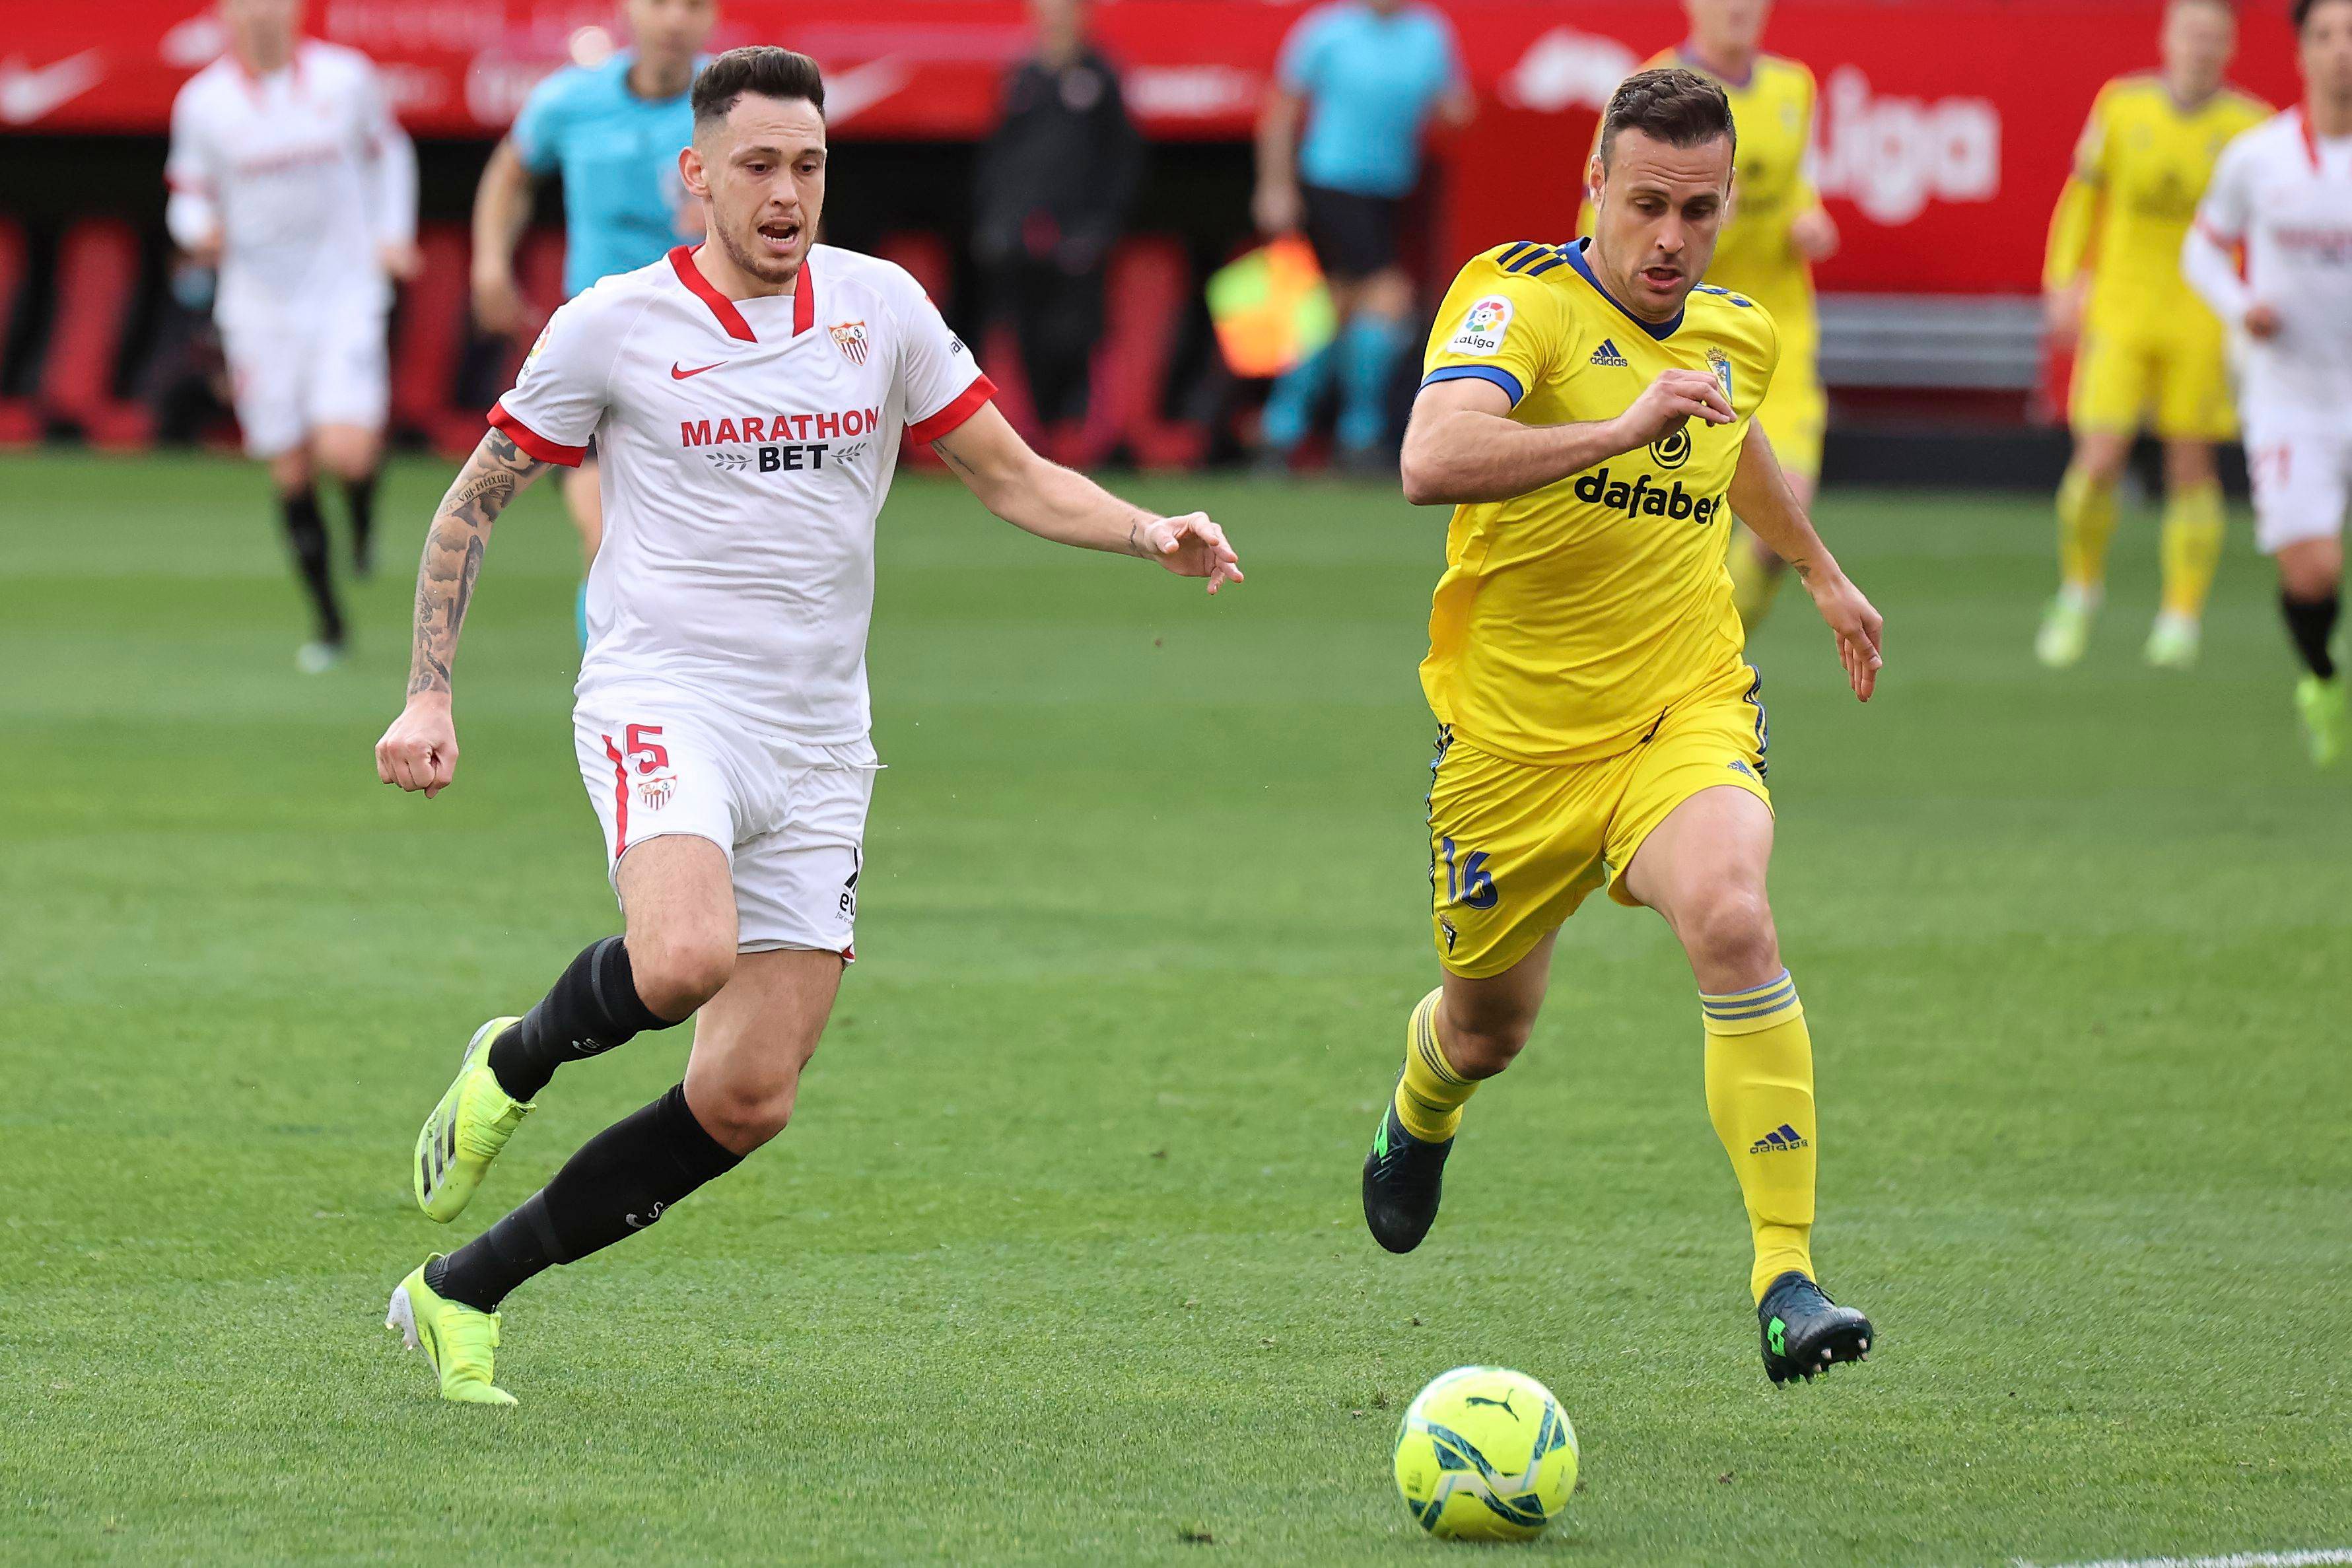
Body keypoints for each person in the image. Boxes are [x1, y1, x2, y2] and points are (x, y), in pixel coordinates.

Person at [373, 48, 1243, 1404]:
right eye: (759, 166)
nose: (787, 193)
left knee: (746, 1097)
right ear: (697, 175)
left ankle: (460, 1290)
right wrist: (429, 690)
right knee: (681, 957)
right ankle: (518, 1056)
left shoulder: (880, 308)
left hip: (822, 738)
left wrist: (1149, 531)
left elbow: (1007, 473)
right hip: (662, 696)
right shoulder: (612, 324)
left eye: (810, 165)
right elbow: (475, 499)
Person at [1369, 68, 1885, 1385]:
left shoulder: (1733, 332)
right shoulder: (1518, 299)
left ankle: (1785, 1277)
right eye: (1645, 202)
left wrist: (1819, 572)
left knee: (1733, 916)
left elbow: (1732, 442)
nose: (1669, 237)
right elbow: (1431, 457)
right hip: (1510, 749)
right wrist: (1617, 425)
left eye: (1697, 210)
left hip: (1678, 710)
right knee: (1487, 1029)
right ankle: (1421, 1104)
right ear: (1591, 185)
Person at [164, 0, 418, 671]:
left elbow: (390, 155)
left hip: (344, 292)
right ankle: (329, 623)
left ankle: (362, 519)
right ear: (225, 15)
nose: (260, 15)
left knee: (347, 450)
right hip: (258, 307)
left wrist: (393, 234)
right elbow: (187, 191)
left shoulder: (345, 78)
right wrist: (195, 229)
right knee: (290, 464)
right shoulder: (204, 102)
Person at [470, 0, 718, 642]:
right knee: (607, 538)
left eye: (693, 5)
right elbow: (511, 171)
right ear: (629, 10)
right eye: (659, 3)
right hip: (600, 354)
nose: (674, 21)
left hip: (709, 353)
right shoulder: (571, 100)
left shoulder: (735, 104)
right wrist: (491, 262)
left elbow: (790, 207)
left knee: (702, 553)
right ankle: (607, 689)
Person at [2040, 0, 2269, 672]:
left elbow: (2273, 227)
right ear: (2167, 37)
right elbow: (2081, 197)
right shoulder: (2122, 107)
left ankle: (2180, 617)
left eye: (2214, 36)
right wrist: (2062, 280)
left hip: (2202, 316)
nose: (2200, 47)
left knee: (2190, 463)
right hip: (2121, 308)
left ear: (2230, 46)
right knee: (2098, 459)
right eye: (2190, 32)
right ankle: (2078, 592)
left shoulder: (2250, 128)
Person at [1605, 0, 1838, 633]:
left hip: (1772, 334)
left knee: (1783, 523)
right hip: (1681, 334)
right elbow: (1601, 221)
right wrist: (1689, 222)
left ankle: (1707, 650)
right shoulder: (1645, 95)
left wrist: (1808, 217)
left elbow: (1795, 183)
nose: (1739, 7)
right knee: (1663, 522)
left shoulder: (1794, 87)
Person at [2184, 0, 2352, 765]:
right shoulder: (2258, 157)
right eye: (2326, 36)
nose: (2342, 51)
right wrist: (2239, 305)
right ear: (2300, 53)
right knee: (2313, 572)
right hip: (2288, 398)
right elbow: (2201, 251)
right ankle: (2321, 677)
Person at [1253, 0, 1472, 471]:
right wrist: (1275, 186)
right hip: (1331, 183)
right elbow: (1281, 112)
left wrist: (1452, 108)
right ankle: (1357, 433)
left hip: (1391, 192)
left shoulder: (1429, 35)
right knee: (1385, 297)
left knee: (1334, 305)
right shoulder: (1327, 31)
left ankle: (1282, 431)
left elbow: (1454, 106)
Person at [973, 0, 1142, 463]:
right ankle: (1036, 431)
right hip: (1023, 235)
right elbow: (1000, 156)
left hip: (1079, 235)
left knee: (1080, 333)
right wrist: (997, 221)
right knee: (1024, 332)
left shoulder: (1100, 77)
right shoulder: (1022, 77)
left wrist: (1100, 226)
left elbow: (1121, 160)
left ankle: (1087, 433)